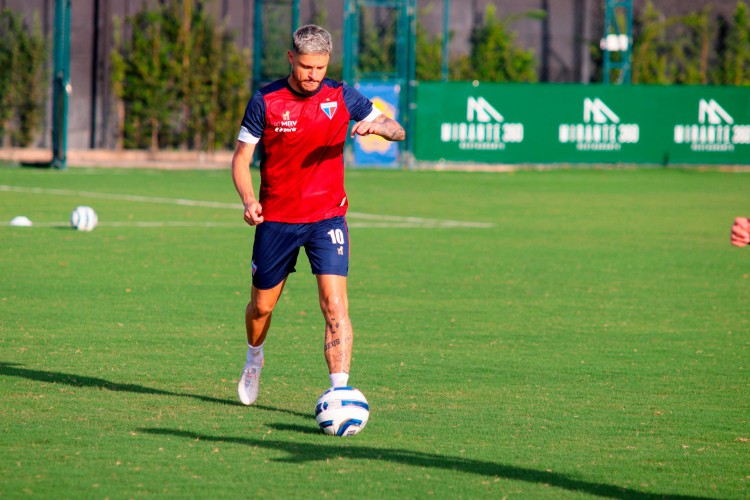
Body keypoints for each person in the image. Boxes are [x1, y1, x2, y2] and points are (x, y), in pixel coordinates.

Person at [231, 24, 405, 405]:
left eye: (321, 68)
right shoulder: (266, 100)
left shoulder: (342, 95)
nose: (313, 76)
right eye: (307, 67)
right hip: (276, 219)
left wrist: (379, 127)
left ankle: (340, 391)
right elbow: (242, 159)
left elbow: (397, 129)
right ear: (292, 58)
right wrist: (248, 200)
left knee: (334, 305)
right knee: (261, 307)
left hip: (327, 218)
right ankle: (254, 357)